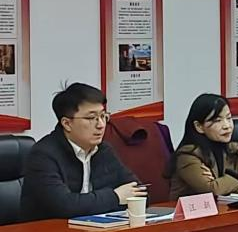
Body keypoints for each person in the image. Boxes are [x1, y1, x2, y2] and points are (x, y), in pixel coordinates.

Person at [19, 83, 144, 220]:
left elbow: (139, 193)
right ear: (67, 124)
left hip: (95, 228)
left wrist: (104, 202)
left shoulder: (103, 150)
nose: (101, 125)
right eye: (91, 118)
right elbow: (64, 206)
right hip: (49, 231)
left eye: (103, 116)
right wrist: (115, 197)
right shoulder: (43, 155)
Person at [167, 94, 238, 200]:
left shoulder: (232, 149)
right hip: (191, 210)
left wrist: (221, 183)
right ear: (199, 126)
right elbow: (212, 190)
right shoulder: (188, 155)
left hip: (223, 208)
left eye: (229, 118)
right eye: (217, 120)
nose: (227, 126)